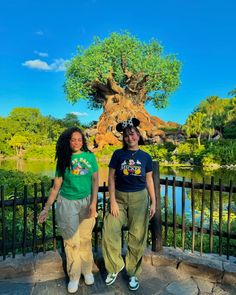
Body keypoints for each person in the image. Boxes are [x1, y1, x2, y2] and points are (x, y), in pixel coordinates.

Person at [38, 126, 98, 294]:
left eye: (79, 139)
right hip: (67, 203)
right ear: (68, 141)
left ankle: (87, 270)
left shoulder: (90, 157)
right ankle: (74, 276)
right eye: (73, 140)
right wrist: (46, 208)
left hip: (86, 202)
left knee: (86, 239)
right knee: (71, 241)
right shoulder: (63, 160)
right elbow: (56, 188)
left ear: (83, 141)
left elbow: (95, 181)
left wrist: (93, 203)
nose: (77, 142)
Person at [102, 118, 156, 291]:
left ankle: (132, 272)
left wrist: (153, 202)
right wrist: (112, 201)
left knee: (137, 236)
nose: (129, 137)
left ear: (138, 135)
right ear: (123, 138)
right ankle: (115, 266)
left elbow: (149, 180)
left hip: (140, 199)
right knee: (109, 230)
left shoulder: (146, 157)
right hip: (118, 198)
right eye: (126, 135)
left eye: (132, 134)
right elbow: (111, 178)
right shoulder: (118, 154)